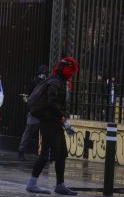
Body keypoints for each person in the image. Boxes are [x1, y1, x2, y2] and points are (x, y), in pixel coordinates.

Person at [26, 57, 79, 195]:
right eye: (71, 70)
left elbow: (54, 103)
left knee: (61, 154)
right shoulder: (56, 82)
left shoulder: (57, 80)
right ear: (66, 69)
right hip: (49, 123)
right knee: (45, 154)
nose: (72, 74)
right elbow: (52, 102)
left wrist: (62, 120)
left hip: (54, 123)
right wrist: (63, 118)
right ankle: (32, 183)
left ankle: (60, 185)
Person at [18, 65, 48, 161]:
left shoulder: (47, 83)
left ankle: (43, 153)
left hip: (41, 112)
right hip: (35, 112)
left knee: (36, 133)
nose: (42, 75)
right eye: (42, 73)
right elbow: (28, 97)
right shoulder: (35, 83)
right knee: (28, 133)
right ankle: (21, 152)